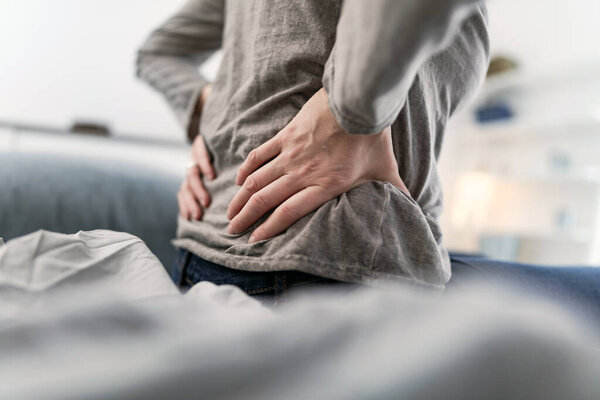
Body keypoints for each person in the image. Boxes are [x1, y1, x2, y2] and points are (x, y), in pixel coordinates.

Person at [136, 0, 490, 301]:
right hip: (325, 257)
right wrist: (348, 114)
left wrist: (215, 117)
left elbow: (158, 53)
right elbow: (158, 54)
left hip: (208, 248)